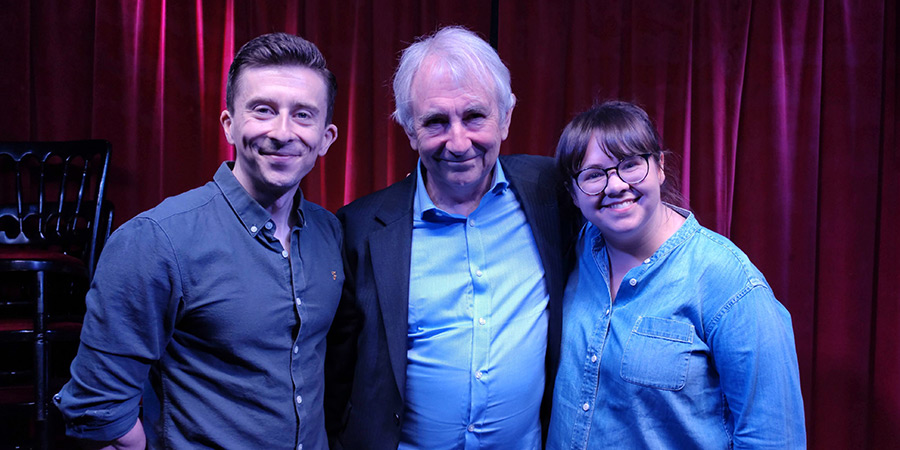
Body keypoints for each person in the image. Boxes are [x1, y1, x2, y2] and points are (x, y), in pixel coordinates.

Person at [54, 32, 342, 449]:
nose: (283, 132)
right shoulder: (157, 241)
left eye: (303, 115)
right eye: (263, 110)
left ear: (326, 137)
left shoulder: (329, 233)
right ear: (229, 125)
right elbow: (97, 410)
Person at [324, 26, 576, 449]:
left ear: (506, 118)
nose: (458, 143)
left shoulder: (553, 191)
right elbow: (336, 378)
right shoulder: (359, 229)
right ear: (409, 132)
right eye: (436, 122)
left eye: (475, 116)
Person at [547, 101, 806, 449]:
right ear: (573, 194)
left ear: (660, 168)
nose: (615, 185)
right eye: (594, 175)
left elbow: (774, 438)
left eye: (630, 165)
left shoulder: (729, 282)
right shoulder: (570, 253)